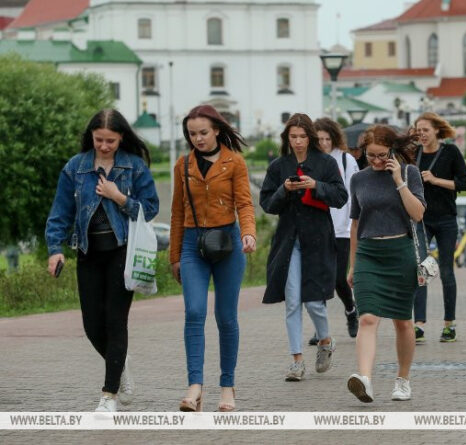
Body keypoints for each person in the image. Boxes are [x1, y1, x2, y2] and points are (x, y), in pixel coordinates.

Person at [45, 109, 159, 412]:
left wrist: (118, 196)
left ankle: (109, 396)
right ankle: (120, 363)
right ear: (91, 137)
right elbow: (60, 213)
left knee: (115, 321)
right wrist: (55, 249)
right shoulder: (75, 167)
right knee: (92, 325)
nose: (104, 146)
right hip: (88, 253)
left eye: (111, 140)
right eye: (99, 140)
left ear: (121, 138)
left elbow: (150, 208)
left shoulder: (133, 166)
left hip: (122, 250)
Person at [170, 105, 256, 412]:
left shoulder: (235, 163)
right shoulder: (183, 165)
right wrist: (175, 256)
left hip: (228, 244)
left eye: (203, 132)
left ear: (217, 130)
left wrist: (249, 233)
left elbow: (244, 204)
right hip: (192, 245)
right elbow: (177, 212)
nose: (198, 139)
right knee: (194, 312)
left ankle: (227, 386)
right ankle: (194, 387)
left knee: (226, 317)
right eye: (192, 134)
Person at [260, 113, 348, 382]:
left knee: (314, 302)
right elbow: (267, 203)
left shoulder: (326, 163)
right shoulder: (278, 166)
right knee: (292, 301)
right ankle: (296, 361)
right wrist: (284, 189)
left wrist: (316, 185)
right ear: (287, 138)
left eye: (302, 136)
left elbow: (341, 197)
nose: (298, 141)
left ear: (310, 137)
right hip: (289, 241)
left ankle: (326, 341)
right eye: (293, 137)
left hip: (318, 239)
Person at [345, 124, 426, 403]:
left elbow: (418, 214)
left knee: (403, 322)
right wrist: (353, 265)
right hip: (368, 253)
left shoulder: (409, 173)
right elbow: (355, 225)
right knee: (367, 318)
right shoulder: (358, 179)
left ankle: (403, 380)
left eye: (382, 155)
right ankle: (365, 380)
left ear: (392, 151)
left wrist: (399, 181)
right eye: (371, 156)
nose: (377, 161)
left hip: (400, 252)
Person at [411, 112, 466, 343]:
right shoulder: (414, 153)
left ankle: (449, 324)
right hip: (421, 219)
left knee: (446, 270)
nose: (422, 134)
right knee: (421, 270)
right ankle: (419, 324)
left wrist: (435, 180)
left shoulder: (450, 152)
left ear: (437, 130)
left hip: (446, 219)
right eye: (419, 130)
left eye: (426, 130)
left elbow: (465, 183)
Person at [310, 117, 359, 342]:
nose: (323, 143)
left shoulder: (347, 160)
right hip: (318, 227)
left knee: (338, 278)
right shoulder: (311, 160)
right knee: (319, 278)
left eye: (327, 139)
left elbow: (353, 193)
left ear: (334, 138)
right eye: (319, 139)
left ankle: (351, 310)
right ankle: (320, 328)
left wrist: (352, 224)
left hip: (342, 228)